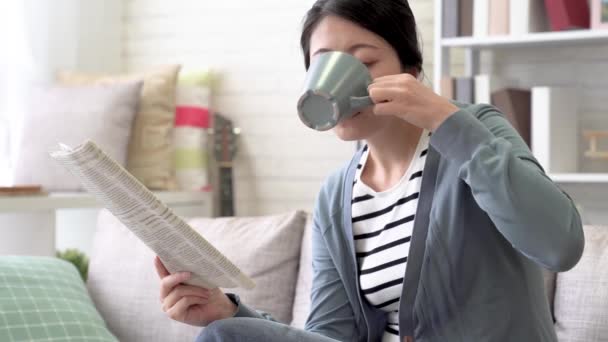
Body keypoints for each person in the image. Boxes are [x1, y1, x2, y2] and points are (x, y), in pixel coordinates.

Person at [154, 0, 585, 341]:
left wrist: (444, 117)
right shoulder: (337, 194)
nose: (338, 78)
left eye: (365, 60)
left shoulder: (475, 131)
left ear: (410, 73)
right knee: (223, 333)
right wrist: (233, 315)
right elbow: (330, 335)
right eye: (322, 61)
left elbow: (560, 245)